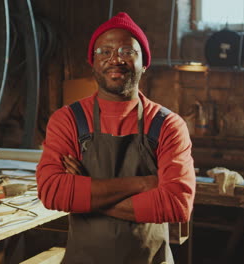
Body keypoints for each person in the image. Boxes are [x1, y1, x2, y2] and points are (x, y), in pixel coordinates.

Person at [36, 12, 195, 264]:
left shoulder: (168, 125)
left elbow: (176, 204)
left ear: (144, 63)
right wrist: (144, 184)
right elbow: (53, 193)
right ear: (92, 62)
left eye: (126, 51)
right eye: (104, 51)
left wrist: (84, 193)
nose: (115, 59)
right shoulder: (67, 120)